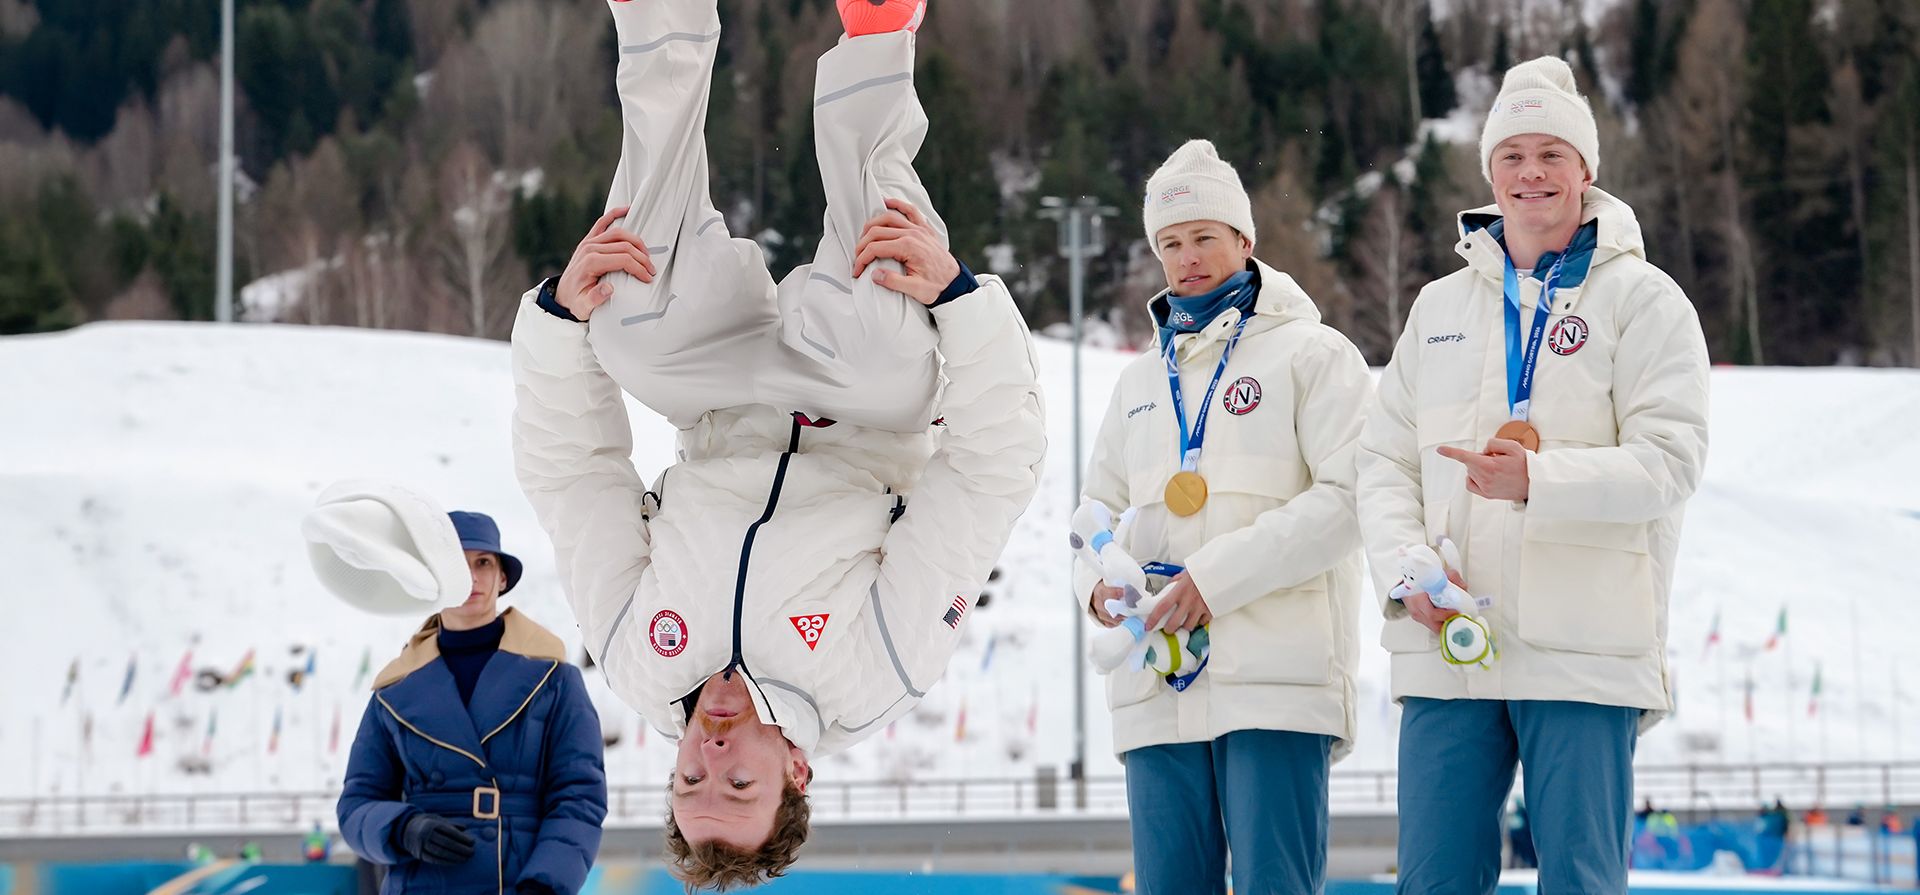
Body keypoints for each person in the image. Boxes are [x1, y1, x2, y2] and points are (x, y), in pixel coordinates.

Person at [510, 0, 1044, 888]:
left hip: (721, 402)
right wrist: (961, 302)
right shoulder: (874, 673)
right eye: (738, 778)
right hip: (865, 405)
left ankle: (662, 20)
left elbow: (572, 474)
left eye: (689, 777)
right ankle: (877, 34)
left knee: (627, 314)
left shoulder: (640, 655)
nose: (709, 749)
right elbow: (991, 473)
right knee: (884, 310)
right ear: (796, 772)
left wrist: (562, 319)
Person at [1357, 55, 1711, 894]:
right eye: (1513, 154)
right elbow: (1382, 458)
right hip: (1451, 639)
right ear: (1490, 170)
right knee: (1435, 880)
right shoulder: (1438, 308)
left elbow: (1672, 460)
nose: (1532, 172)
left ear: (1586, 169)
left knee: (1582, 881)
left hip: (1583, 648)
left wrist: (1538, 482)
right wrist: (1404, 564)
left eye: (1552, 153)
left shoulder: (1645, 300)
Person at [1076, 139, 1370, 894]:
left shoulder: (1313, 355)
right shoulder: (1138, 381)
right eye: (1170, 242)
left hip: (1273, 677)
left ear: (1245, 239)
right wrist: (1096, 585)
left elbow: (1349, 498)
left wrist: (1215, 579)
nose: (1188, 257)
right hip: (1157, 685)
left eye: (1204, 235)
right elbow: (1094, 509)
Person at [336, 511, 607, 895]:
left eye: (483, 562)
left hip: (520, 883)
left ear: (502, 577)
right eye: (456, 564)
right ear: (434, 578)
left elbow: (579, 796)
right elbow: (355, 806)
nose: (471, 576)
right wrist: (404, 828)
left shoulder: (555, 678)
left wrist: (544, 885)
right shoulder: (392, 692)